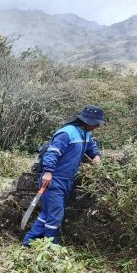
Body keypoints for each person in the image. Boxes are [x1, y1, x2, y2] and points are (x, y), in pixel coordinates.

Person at [22, 105, 105, 246]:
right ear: (87, 121)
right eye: (96, 123)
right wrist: (48, 172)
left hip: (67, 180)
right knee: (55, 215)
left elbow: (92, 147)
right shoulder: (67, 133)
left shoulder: (86, 134)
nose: (97, 126)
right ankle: (51, 246)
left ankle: (28, 242)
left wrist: (96, 155)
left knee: (47, 213)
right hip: (54, 179)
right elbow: (52, 153)